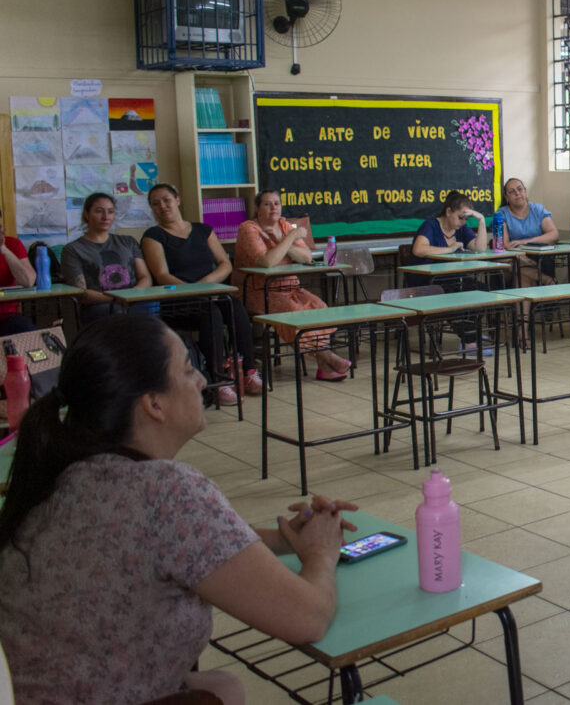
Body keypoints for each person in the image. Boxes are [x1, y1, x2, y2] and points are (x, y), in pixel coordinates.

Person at [0, 316, 355, 705]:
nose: (202, 380)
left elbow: (178, 545)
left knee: (220, 685)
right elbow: (307, 619)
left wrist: (283, 538)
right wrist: (321, 552)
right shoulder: (166, 491)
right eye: (188, 369)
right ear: (153, 404)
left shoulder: (61, 471)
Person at [143, 183, 262, 405]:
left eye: (166, 200)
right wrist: (196, 292)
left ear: (177, 200)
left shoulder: (202, 230)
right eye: (155, 204)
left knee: (236, 309)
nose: (162, 206)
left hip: (211, 293)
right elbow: (161, 275)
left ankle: (249, 370)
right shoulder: (153, 236)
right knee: (212, 314)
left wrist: (207, 284)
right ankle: (218, 381)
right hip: (177, 302)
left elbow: (225, 264)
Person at [232, 190, 350, 380]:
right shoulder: (249, 229)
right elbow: (267, 262)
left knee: (319, 306)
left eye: (277, 203)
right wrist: (290, 238)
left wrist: (281, 239)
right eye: (267, 204)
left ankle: (324, 367)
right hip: (259, 292)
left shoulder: (284, 225)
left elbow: (306, 257)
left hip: (290, 287)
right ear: (257, 208)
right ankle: (328, 357)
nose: (273, 208)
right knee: (294, 312)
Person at [406, 191, 492, 355]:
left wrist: (481, 220)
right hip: (426, 282)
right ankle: (470, 341)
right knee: (454, 294)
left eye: (466, 218)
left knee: (481, 290)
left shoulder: (460, 228)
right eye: (461, 217)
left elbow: (479, 248)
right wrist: (449, 249)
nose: (463, 221)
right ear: (448, 211)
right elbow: (418, 249)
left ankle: (470, 335)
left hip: (450, 278)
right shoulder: (431, 225)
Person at [61, 192, 153, 323]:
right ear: (86, 215)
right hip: (99, 305)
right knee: (117, 311)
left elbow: (145, 277)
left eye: (110, 212)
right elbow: (81, 293)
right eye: (99, 211)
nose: (105, 217)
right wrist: (117, 299)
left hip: (133, 300)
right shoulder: (73, 249)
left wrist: (133, 295)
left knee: (153, 307)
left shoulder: (128, 242)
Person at [498, 177, 559, 287]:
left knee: (522, 277)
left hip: (537, 256)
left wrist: (526, 241)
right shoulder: (501, 214)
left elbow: (553, 234)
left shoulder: (538, 210)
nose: (517, 193)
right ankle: (547, 280)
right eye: (512, 192)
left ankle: (542, 280)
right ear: (506, 197)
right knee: (512, 263)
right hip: (515, 257)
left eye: (520, 189)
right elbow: (505, 244)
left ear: (525, 191)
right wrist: (521, 258)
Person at [0, 206, 36, 336]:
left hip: (7, 316)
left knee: (26, 330)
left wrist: (4, 249)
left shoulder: (12, 244)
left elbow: (28, 281)